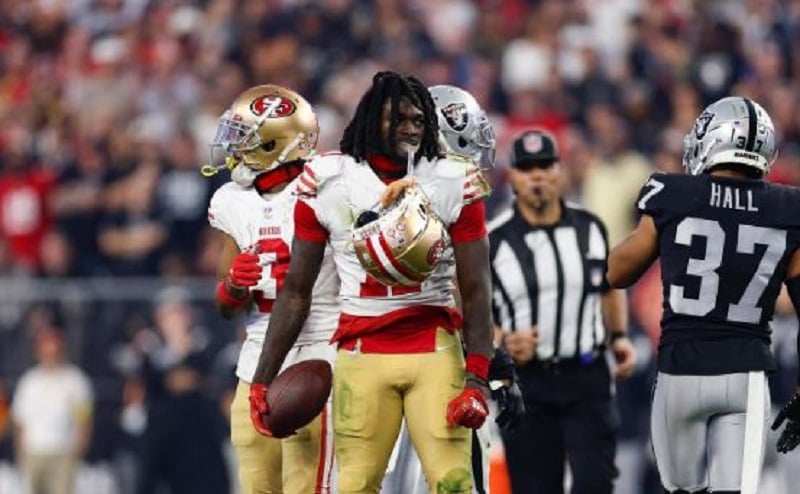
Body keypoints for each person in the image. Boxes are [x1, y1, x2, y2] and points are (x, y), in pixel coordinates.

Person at [249, 71, 496, 494]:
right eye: (399, 118)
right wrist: (262, 378)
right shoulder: (328, 180)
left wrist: (476, 378)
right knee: (357, 485)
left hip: (433, 347)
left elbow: (476, 290)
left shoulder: (453, 179)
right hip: (361, 353)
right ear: (369, 118)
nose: (412, 128)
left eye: (419, 119)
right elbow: (296, 291)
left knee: (453, 483)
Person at [607, 95, 800, 493]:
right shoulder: (787, 206)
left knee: (682, 490)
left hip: (679, 371)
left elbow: (617, 272)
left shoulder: (672, 193)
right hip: (745, 374)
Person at [380, 83, 525, 494]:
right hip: (433, 364)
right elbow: (462, 290)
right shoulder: (441, 197)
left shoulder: (369, 186)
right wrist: (492, 365)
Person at [206, 84, 339, 493]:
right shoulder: (232, 199)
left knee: (307, 486)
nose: (235, 145)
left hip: (318, 355)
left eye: (245, 136)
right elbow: (227, 305)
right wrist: (233, 286)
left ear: (275, 142)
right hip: (255, 360)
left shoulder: (329, 186)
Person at [489, 129, 636, 494]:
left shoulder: (591, 228)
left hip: (586, 376)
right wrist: (504, 340)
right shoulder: (493, 240)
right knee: (535, 488)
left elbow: (610, 288)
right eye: (526, 167)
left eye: (545, 165)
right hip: (525, 383)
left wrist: (618, 336)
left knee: (595, 483)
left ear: (561, 170)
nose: (537, 175)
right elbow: (471, 316)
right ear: (513, 177)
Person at [11, 310, 93, 494]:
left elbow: (84, 419)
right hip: (34, 452)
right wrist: (21, 455)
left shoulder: (76, 380)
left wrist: (78, 452)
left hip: (63, 451)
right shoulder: (29, 381)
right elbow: (19, 420)